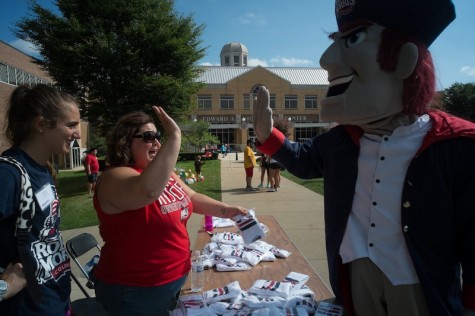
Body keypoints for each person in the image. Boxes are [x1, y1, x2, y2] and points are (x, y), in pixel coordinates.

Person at [253, 1, 475, 315]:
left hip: (419, 281)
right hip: (355, 273)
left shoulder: (457, 145)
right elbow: (303, 161)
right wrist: (268, 136)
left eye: (354, 39)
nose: (327, 60)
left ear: (404, 58)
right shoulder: (341, 141)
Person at [92, 107, 247, 316]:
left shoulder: (161, 174)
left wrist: (227, 210)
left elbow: (191, 197)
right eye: (148, 137)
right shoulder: (114, 176)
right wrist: (175, 136)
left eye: (158, 136)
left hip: (177, 278)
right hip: (136, 290)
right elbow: (146, 192)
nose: (157, 142)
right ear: (125, 141)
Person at [0, 84, 81, 315]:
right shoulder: (8, 175)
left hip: (56, 302)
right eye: (71, 125)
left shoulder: (44, 169)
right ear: (42, 124)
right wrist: (2, 287)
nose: (78, 134)